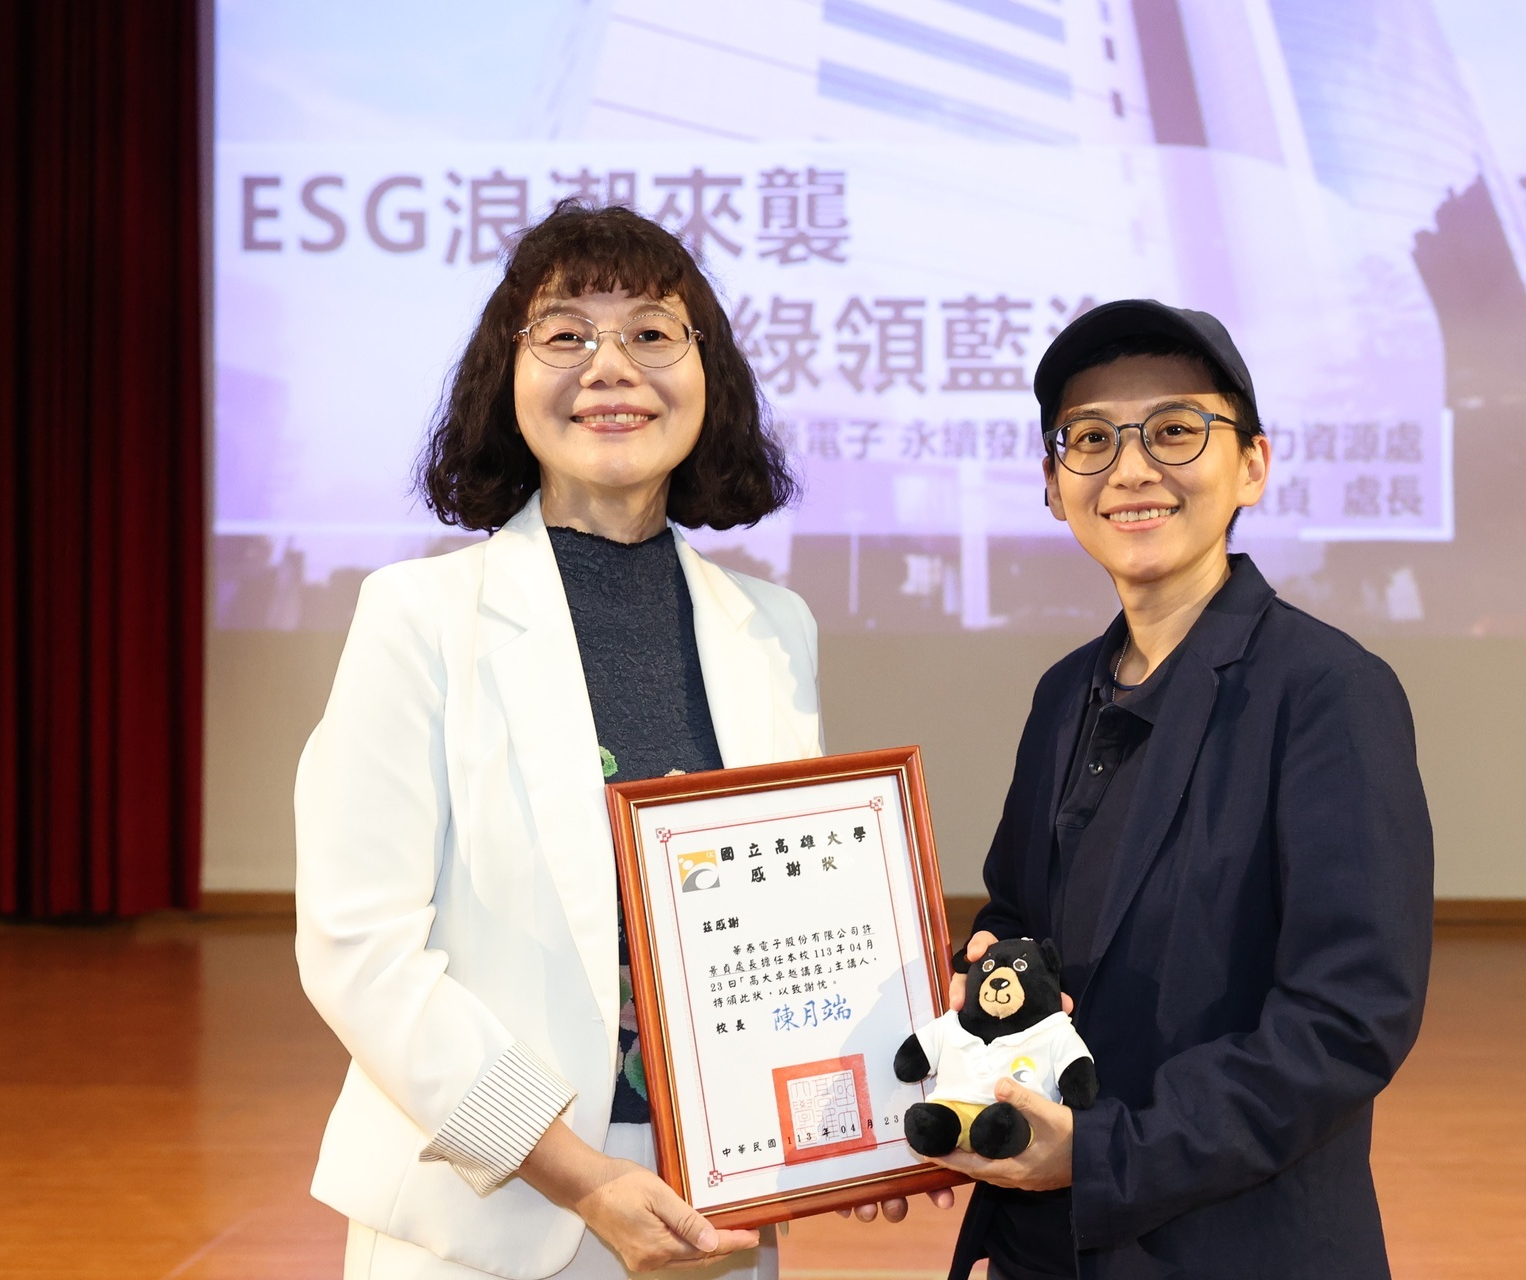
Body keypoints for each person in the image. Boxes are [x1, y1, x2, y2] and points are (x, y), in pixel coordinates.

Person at [294, 201, 874, 1280]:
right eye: (565, 334)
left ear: (711, 375)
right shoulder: (417, 616)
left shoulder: (773, 628)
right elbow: (360, 952)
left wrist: (864, 1113)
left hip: (715, 1199)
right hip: (488, 1215)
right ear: (505, 379)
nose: (612, 367)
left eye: (653, 332)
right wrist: (577, 1170)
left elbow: (793, 921)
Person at [926, 300, 1434, 1279]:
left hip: (1230, 1242)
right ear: (1051, 483)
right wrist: (989, 968)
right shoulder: (1065, 690)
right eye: (1089, 438)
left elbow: (1348, 1016)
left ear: (1252, 462)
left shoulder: (1328, 691)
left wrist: (1107, 1150)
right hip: (1045, 1239)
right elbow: (1024, 905)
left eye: (1173, 430)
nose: (1129, 467)